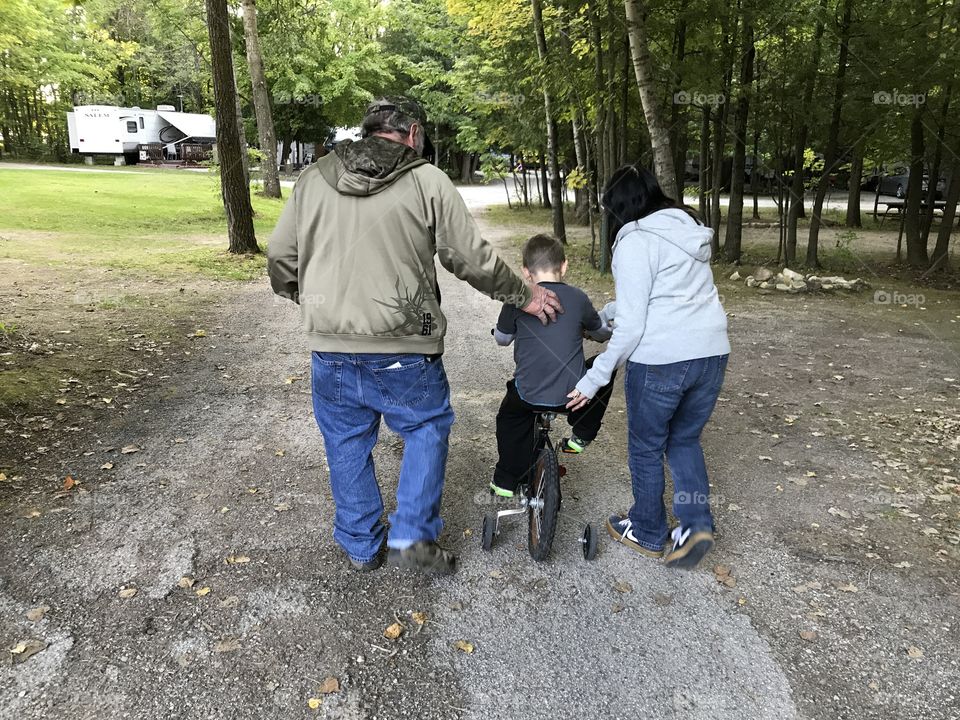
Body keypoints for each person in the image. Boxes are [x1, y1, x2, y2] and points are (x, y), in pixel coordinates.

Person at [267, 97, 562, 575]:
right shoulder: (427, 180)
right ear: (413, 133)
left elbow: (281, 258)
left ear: (368, 131)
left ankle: (362, 546)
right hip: (408, 344)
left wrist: (312, 300)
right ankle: (411, 539)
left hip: (331, 347)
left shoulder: (314, 178)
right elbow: (469, 257)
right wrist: (522, 295)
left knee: (345, 442)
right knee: (425, 429)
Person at [566, 164, 730, 570]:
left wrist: (594, 377)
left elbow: (637, 325)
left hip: (661, 360)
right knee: (685, 439)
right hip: (710, 353)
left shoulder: (635, 239)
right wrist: (607, 316)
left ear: (620, 208)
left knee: (646, 445)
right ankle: (695, 526)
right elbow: (663, 296)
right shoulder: (685, 229)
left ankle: (648, 530)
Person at [491, 234, 615, 497]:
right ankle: (581, 433)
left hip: (528, 395)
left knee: (509, 418)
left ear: (526, 272)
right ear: (565, 266)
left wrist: (501, 331)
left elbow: (502, 340)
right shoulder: (578, 298)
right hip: (573, 396)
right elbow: (601, 333)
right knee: (604, 370)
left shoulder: (516, 299)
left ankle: (506, 480)